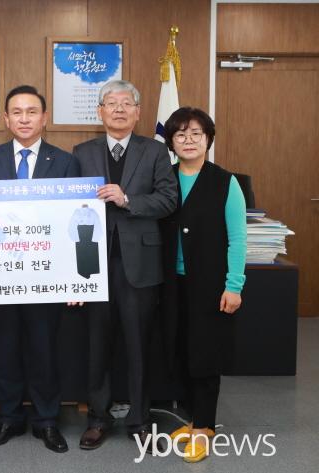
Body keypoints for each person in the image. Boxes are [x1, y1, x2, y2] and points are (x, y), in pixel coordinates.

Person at [0, 85, 80, 453]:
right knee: (5, 350)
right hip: (1, 276)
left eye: (31, 111)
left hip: (47, 276)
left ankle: (47, 421)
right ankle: (9, 418)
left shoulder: (64, 161)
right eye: (16, 112)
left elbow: (73, 220)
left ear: (44, 118)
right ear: (6, 119)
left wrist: (73, 280)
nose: (24, 118)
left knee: (44, 350)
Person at [72, 80, 177, 452]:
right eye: (111, 103)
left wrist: (127, 199)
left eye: (126, 103)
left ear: (138, 111)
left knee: (138, 346)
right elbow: (67, 209)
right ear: (99, 111)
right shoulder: (81, 152)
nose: (119, 109)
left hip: (140, 265)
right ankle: (97, 419)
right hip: (92, 264)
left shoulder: (155, 151)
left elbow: (168, 199)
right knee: (96, 347)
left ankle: (139, 419)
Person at [161, 107, 246, 463]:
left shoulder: (225, 182)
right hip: (170, 283)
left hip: (210, 284)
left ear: (208, 138)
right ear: (171, 142)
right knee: (180, 350)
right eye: (180, 134)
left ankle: (205, 428)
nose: (189, 140)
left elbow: (238, 239)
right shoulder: (163, 177)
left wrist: (234, 285)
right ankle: (194, 419)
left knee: (205, 355)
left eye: (196, 133)